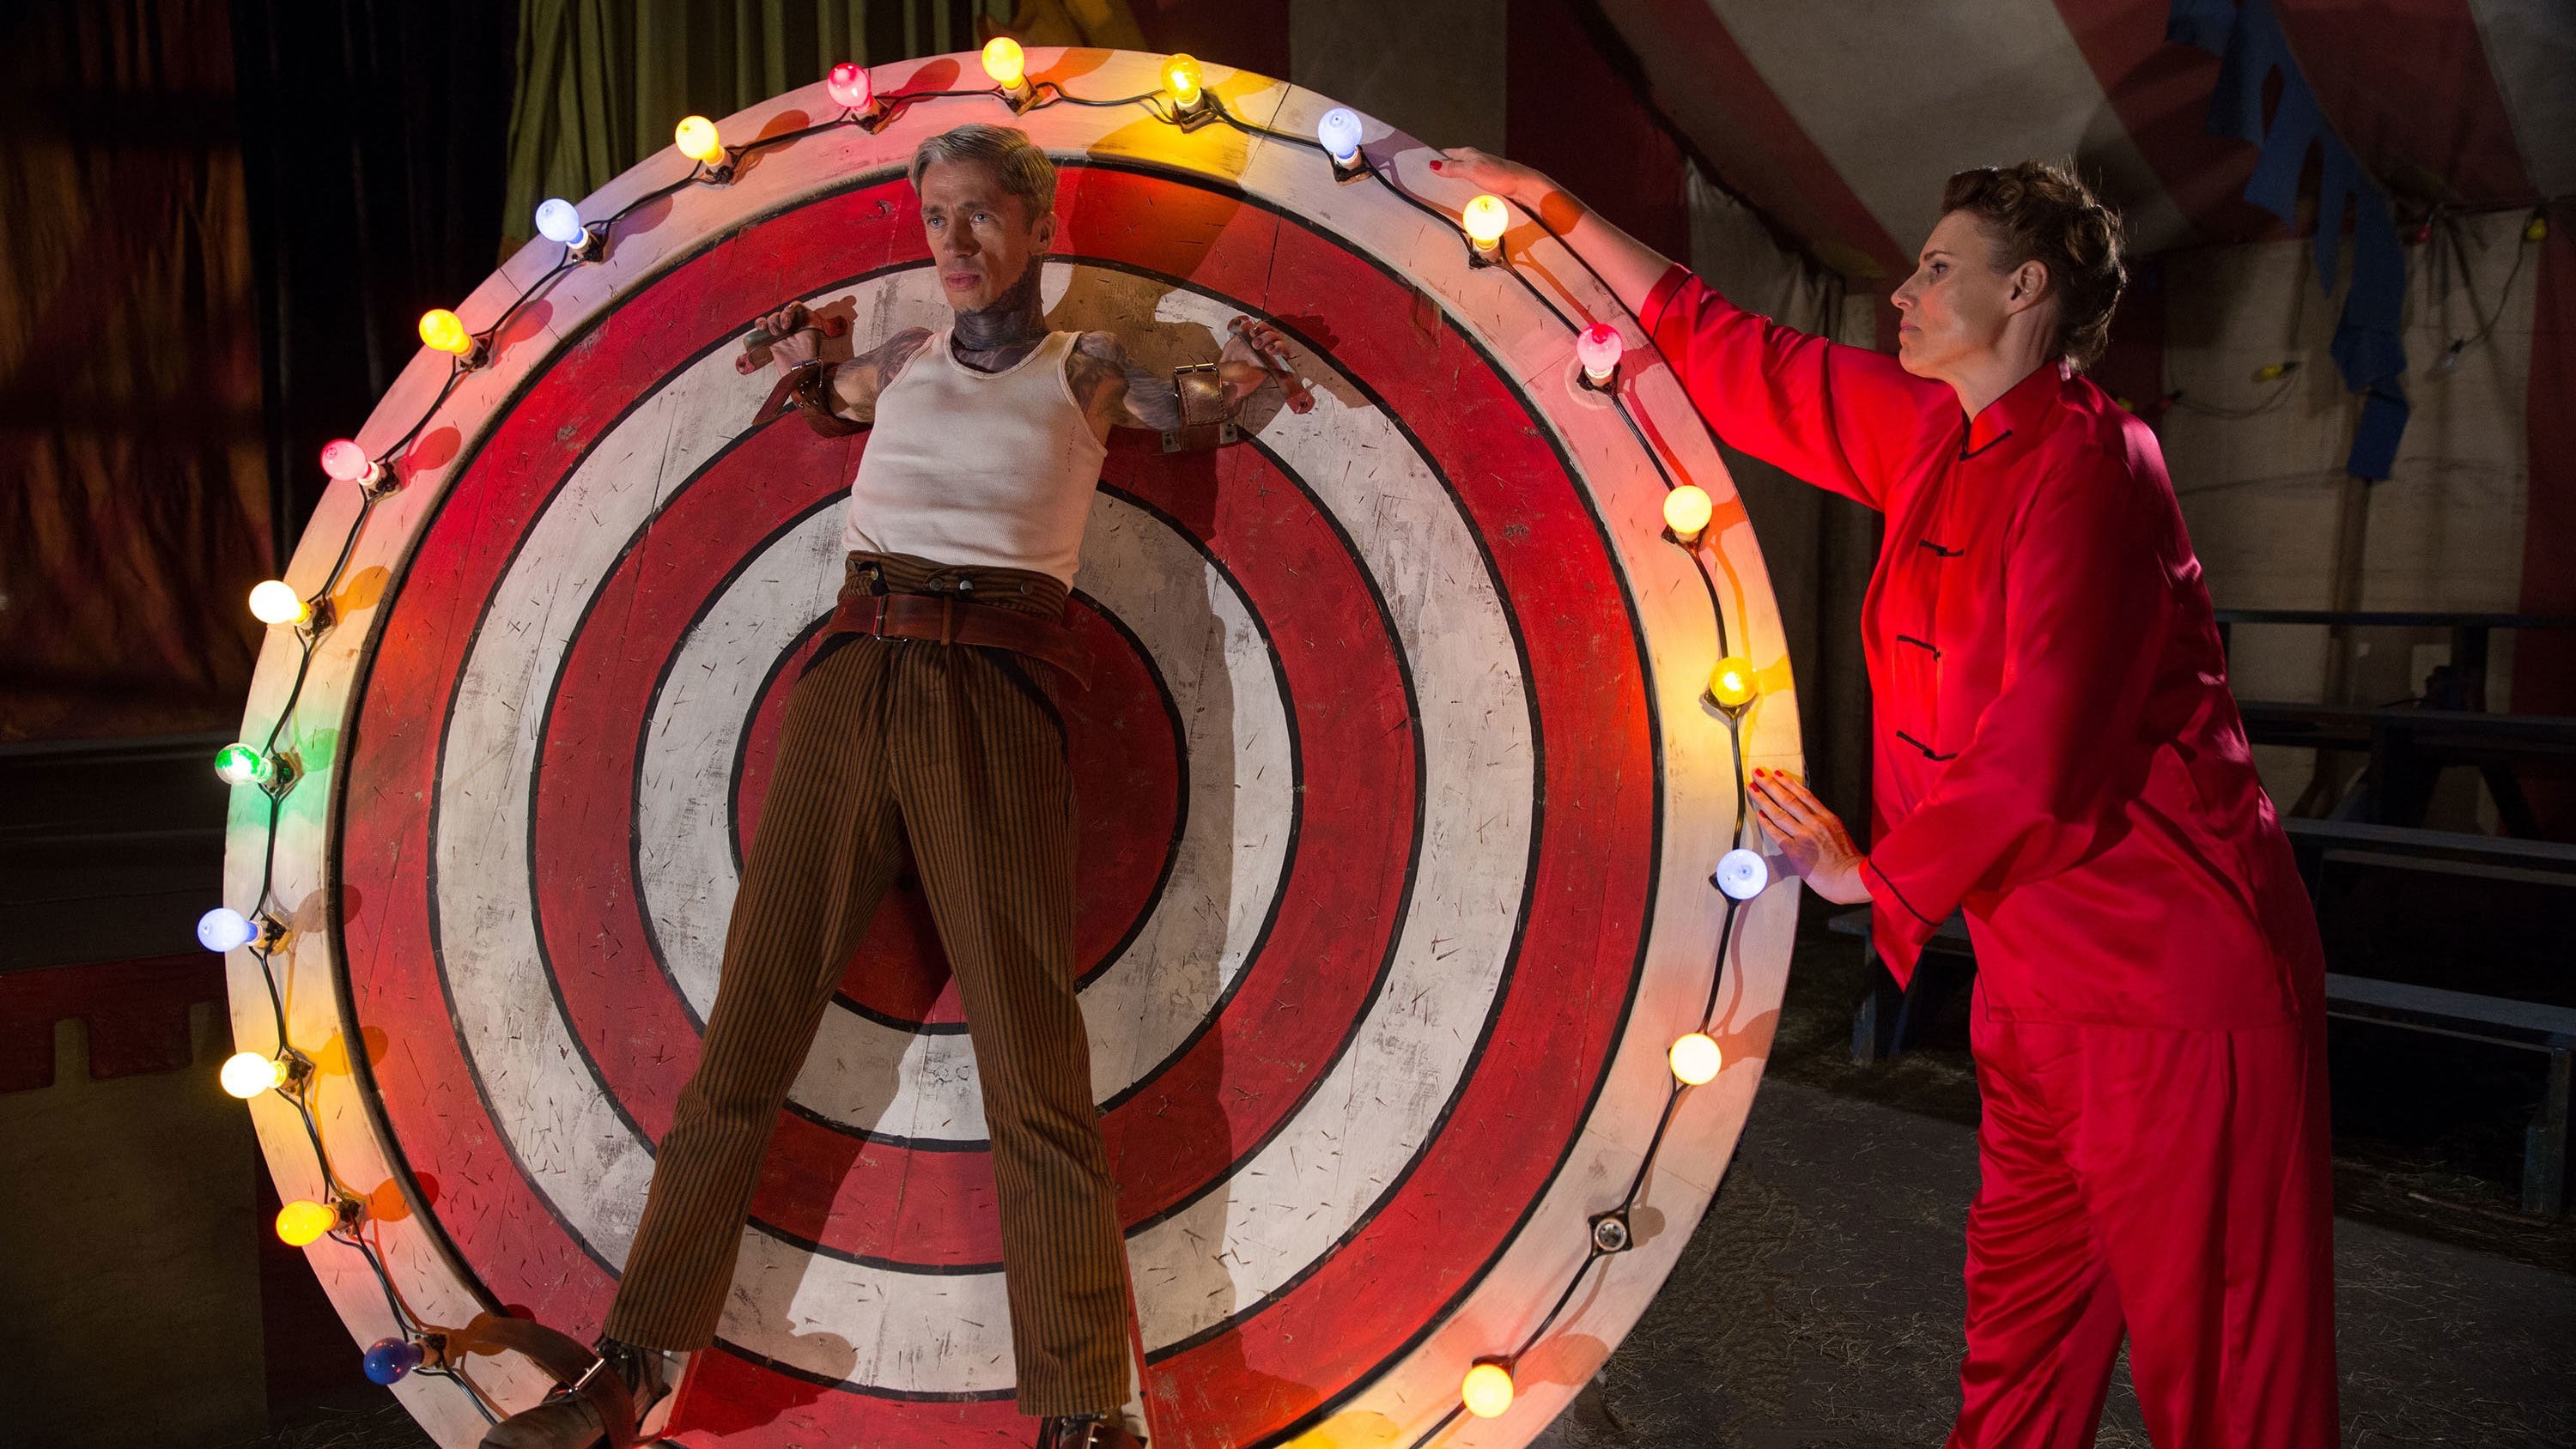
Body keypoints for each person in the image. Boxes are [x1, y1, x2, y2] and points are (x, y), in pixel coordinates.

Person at [1430, 150, 2337, 1446]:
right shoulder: (1932, 429)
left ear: (2025, 288)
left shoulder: (2097, 464)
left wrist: (1875, 877)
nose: (1901, 293)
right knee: (2018, 1343)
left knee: (2230, 1373)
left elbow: (2045, 743)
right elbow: (1732, 354)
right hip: (2034, 982)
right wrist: (1547, 205)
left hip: (2173, 989)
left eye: (1936, 267)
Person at [484, 123, 1291, 1449]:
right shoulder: (903, 359)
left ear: (1036, 225)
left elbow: (1199, 408)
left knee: (1032, 1068)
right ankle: (630, 1368)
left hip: (1000, 689)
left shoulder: (1085, 367)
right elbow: (825, 401)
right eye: (936, 218)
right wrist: (807, 362)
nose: (955, 242)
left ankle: (1085, 1413)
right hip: (853, 674)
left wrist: (1248, 376)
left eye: (981, 214)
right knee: (746, 1041)